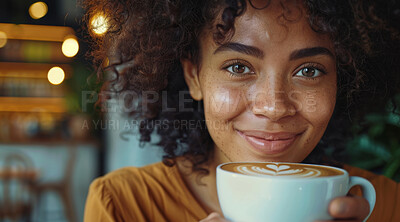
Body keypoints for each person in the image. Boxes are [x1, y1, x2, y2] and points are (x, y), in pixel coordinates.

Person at [83, 0, 400, 221]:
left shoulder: (385, 205)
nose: (274, 107)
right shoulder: (125, 205)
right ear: (194, 75)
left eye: (309, 71)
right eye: (238, 67)